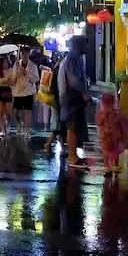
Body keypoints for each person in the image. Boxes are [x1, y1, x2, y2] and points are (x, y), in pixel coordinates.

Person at [58, 36, 90, 168]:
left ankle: (74, 155)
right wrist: (84, 92)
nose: (87, 47)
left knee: (74, 127)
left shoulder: (74, 58)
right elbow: (73, 80)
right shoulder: (72, 59)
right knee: (72, 126)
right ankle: (72, 156)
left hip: (72, 98)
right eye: (85, 45)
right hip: (72, 98)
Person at [96, 91, 128, 175]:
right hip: (106, 135)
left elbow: (121, 121)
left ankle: (114, 164)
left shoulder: (115, 113)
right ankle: (107, 165)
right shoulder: (103, 114)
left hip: (114, 134)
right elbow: (100, 123)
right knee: (107, 149)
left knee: (115, 149)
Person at [12, 45, 40, 134]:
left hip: (29, 91)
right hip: (18, 91)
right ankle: (20, 124)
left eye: (26, 53)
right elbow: (13, 78)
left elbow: (36, 79)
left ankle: (27, 130)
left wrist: (26, 73)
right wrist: (17, 72)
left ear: (29, 54)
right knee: (15, 112)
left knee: (28, 112)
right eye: (22, 53)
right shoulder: (16, 64)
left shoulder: (33, 66)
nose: (24, 55)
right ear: (20, 54)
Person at [0, 55, 14, 136]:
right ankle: (2, 129)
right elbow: (0, 81)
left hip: (7, 90)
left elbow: (12, 82)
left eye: (6, 62)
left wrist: (7, 79)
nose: (6, 64)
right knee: (0, 111)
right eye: (4, 62)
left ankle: (8, 123)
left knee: (8, 112)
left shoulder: (10, 71)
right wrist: (7, 77)